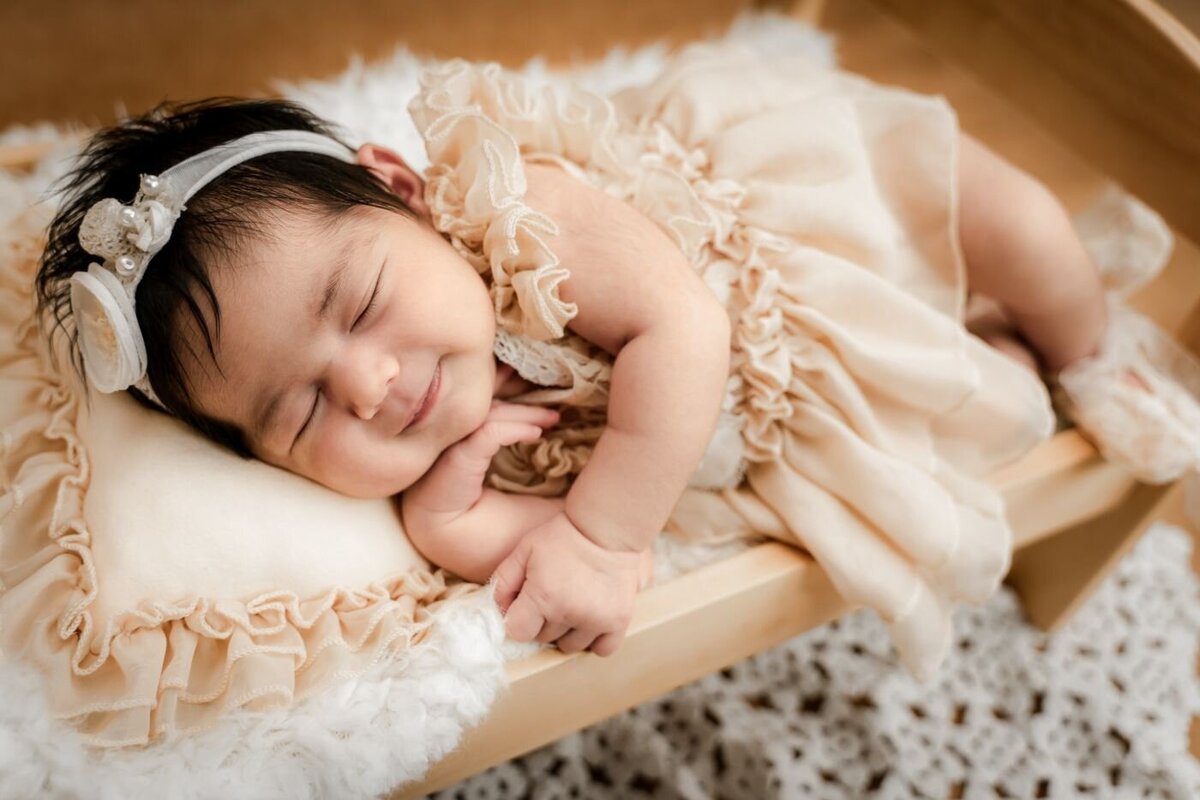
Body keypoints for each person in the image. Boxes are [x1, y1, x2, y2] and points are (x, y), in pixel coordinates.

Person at [36, 41, 1200, 678]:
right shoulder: (424, 482)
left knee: (1017, 225)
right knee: (965, 385)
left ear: (405, 194)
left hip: (812, 219)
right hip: (789, 384)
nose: (371, 383)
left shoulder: (521, 223)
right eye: (297, 411)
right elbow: (499, 545)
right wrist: (455, 517)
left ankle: (1095, 347)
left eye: (362, 302)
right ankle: (998, 339)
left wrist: (605, 535)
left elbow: (684, 331)